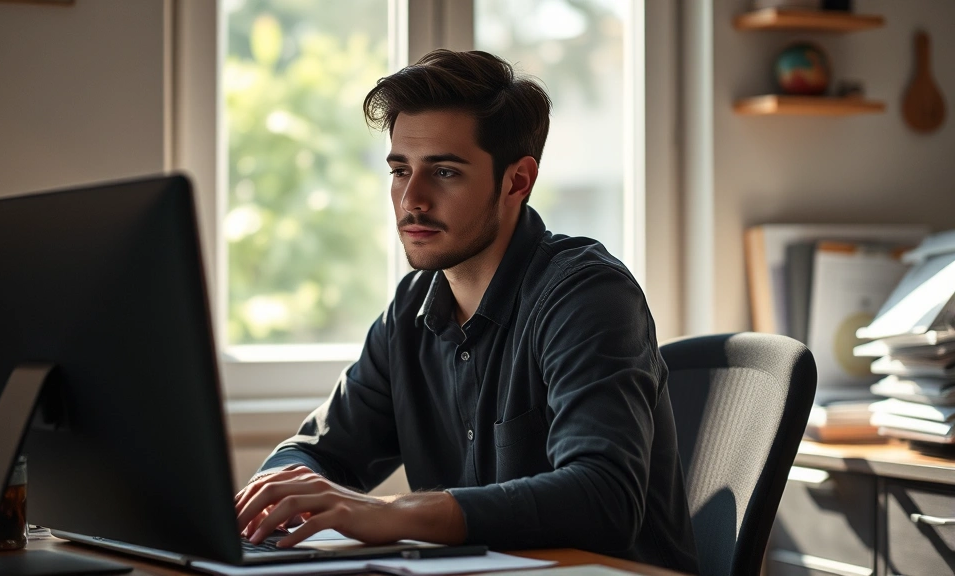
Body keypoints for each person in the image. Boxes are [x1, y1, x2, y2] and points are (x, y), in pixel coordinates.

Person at [234, 49, 699, 573]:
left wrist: (395, 514)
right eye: (399, 170)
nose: (412, 199)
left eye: (445, 172)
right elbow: (320, 452)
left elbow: (604, 498)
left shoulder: (587, 295)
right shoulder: (410, 309)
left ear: (517, 181)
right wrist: (278, 489)